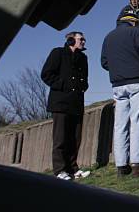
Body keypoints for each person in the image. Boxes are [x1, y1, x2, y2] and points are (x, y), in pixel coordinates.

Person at [101, 13, 139, 178]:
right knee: (138, 122)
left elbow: (104, 62)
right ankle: (137, 164)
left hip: (118, 85)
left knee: (120, 126)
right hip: (137, 81)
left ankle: (121, 166)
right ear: (132, 21)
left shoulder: (108, 37)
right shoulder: (136, 32)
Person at [41, 31, 91, 180]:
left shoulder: (83, 58)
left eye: (84, 39)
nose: (83, 41)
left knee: (75, 138)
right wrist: (63, 85)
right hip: (60, 103)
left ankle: (73, 169)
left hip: (76, 103)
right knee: (60, 138)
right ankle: (60, 170)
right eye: (80, 39)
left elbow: (85, 78)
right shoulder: (58, 53)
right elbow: (46, 74)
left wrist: (83, 86)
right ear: (70, 40)